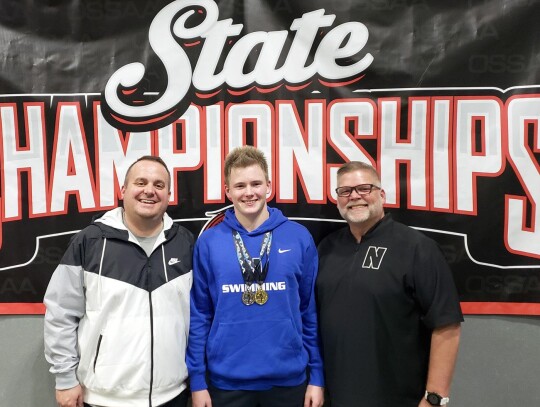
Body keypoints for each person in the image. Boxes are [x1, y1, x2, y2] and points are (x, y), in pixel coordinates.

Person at [44, 155, 194, 407]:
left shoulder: (186, 243)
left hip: (172, 395)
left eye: (159, 185)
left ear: (169, 194)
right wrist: (65, 379)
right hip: (105, 398)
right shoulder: (89, 242)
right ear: (123, 190)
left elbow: (200, 316)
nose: (149, 191)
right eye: (141, 182)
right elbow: (60, 313)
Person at [316, 161, 463, 407]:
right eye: (345, 191)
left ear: (381, 195)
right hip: (335, 397)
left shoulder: (417, 248)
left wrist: (435, 398)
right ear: (338, 199)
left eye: (364, 188)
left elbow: (446, 325)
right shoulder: (326, 249)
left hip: (397, 397)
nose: (354, 196)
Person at [186, 146, 324, 407]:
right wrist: (197, 381)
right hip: (226, 383)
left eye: (256, 183)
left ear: (268, 186)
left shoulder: (298, 237)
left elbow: (309, 311)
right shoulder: (209, 242)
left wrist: (316, 377)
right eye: (239, 185)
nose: (249, 192)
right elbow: (200, 315)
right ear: (228, 191)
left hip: (289, 381)